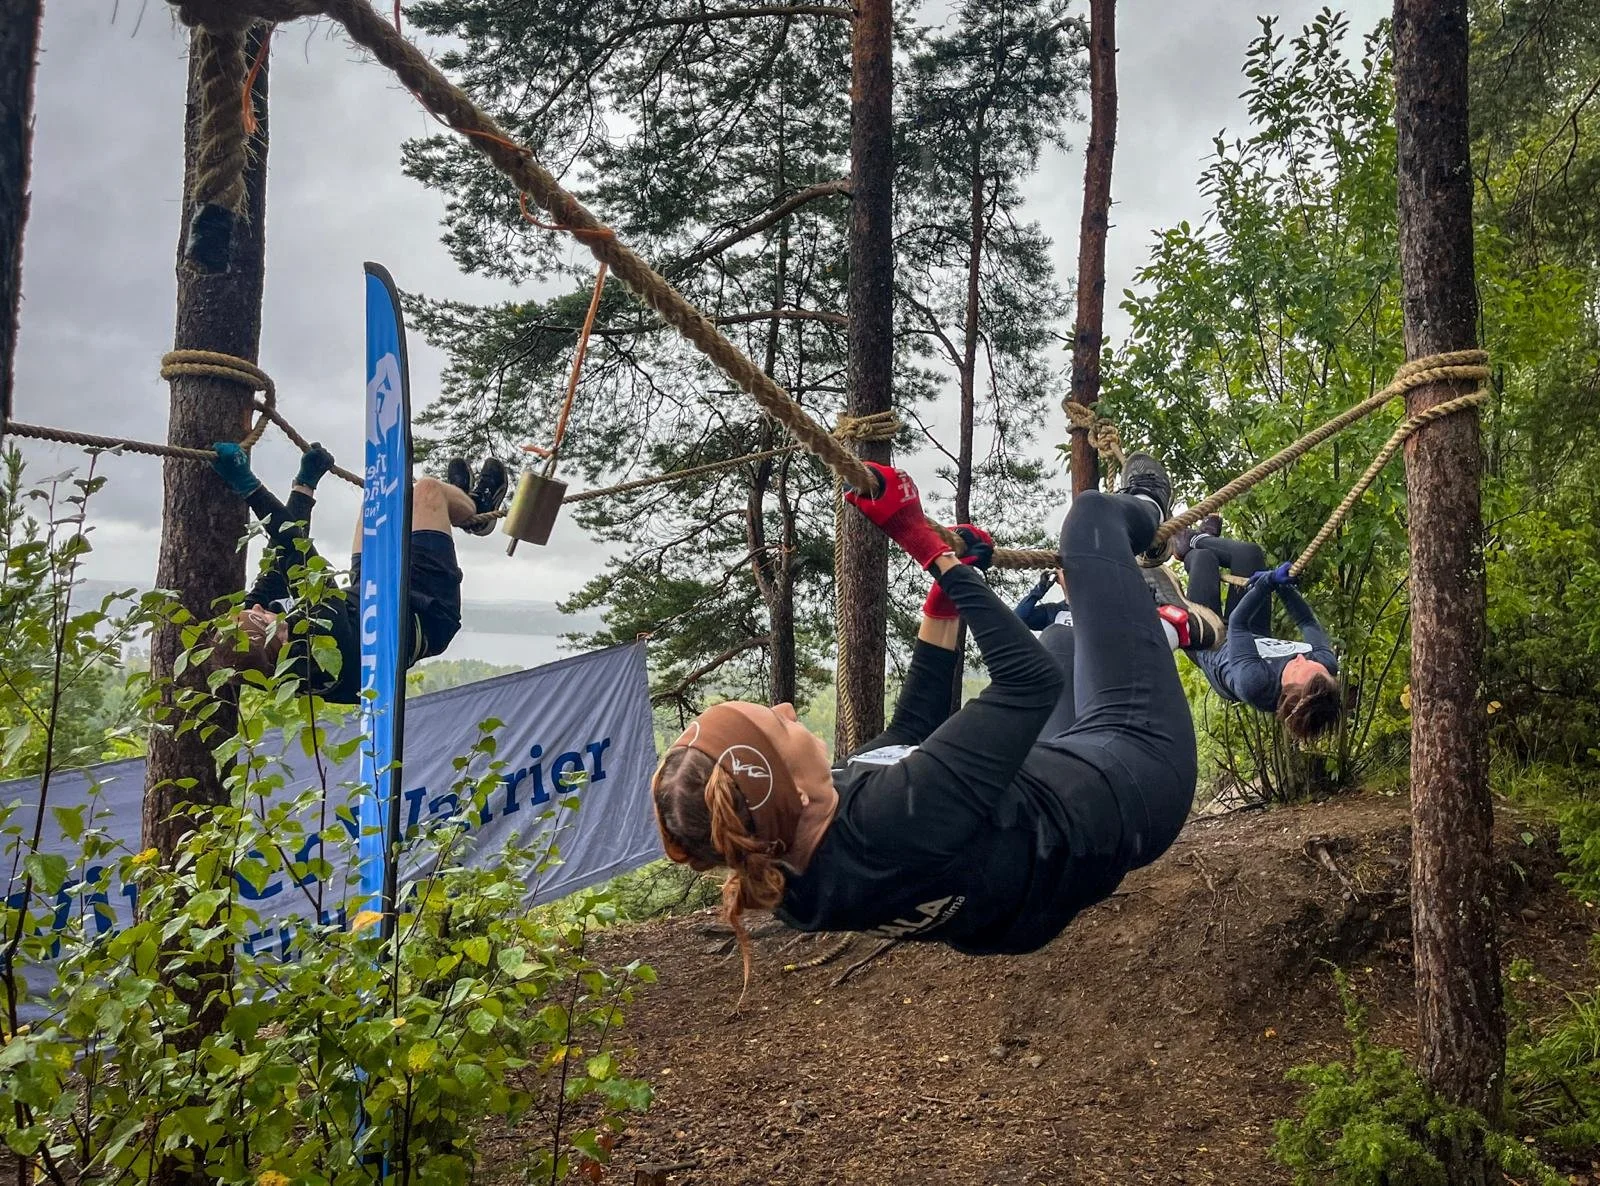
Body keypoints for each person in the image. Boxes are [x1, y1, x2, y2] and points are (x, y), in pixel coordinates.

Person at [651, 452, 1219, 992]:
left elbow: (910, 733)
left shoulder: (786, 869)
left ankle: (1152, 625)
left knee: (1065, 640)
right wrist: (925, 544)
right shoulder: (896, 815)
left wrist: (942, 603)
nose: (786, 710)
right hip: (1138, 774)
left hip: (1051, 826)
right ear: (790, 789)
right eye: (776, 727)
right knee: (1092, 521)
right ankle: (1147, 514)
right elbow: (1030, 681)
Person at [207, 441, 508, 703]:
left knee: (376, 503)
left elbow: (277, 565)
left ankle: (456, 498)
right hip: (425, 610)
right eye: (260, 617)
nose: (257, 607)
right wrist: (248, 486)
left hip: (368, 598)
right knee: (428, 491)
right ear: (279, 641)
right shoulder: (324, 640)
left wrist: (304, 486)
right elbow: (296, 550)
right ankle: (475, 511)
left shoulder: (268, 660)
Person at [1168, 522, 1343, 741]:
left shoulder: (1255, 683)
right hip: (1254, 636)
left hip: (1210, 643)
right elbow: (1307, 621)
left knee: (1204, 560)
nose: (1302, 658)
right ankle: (1197, 539)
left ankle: (1190, 549)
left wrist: (1266, 584)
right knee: (1250, 554)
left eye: (1299, 667)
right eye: (1312, 663)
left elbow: (1237, 623)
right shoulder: (1323, 668)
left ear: (1287, 690)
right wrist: (1285, 588)